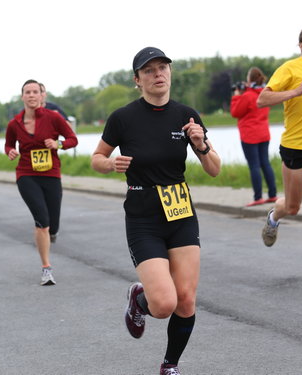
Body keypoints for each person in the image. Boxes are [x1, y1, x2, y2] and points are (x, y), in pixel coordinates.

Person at [91, 47, 221, 374]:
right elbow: (96, 158)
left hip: (180, 211)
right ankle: (140, 300)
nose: (158, 74)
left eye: (163, 67)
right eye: (149, 70)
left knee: (186, 299)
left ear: (170, 73)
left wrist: (201, 143)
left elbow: (214, 169)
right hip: (143, 215)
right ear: (138, 80)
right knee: (164, 304)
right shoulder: (123, 118)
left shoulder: (186, 115)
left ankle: (169, 365)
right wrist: (109, 164)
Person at [257, 24, 302, 247]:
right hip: (296, 146)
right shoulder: (290, 69)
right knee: (292, 207)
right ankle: (273, 218)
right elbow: (262, 100)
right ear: (301, 45)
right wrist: (295, 92)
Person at [5, 79, 78, 286]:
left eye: (35, 92)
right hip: (26, 174)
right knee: (42, 221)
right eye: (27, 92)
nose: (31, 95)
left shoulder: (54, 118)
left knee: (53, 224)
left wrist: (59, 144)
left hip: (51, 174)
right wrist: (10, 151)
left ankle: (50, 232)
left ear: (41, 95)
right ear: (22, 97)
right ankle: (46, 268)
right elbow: (9, 144)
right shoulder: (15, 123)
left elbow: (73, 139)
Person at [230, 67, 277, 206]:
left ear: (249, 79)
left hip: (249, 135)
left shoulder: (247, 96)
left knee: (254, 166)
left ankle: (258, 197)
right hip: (264, 134)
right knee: (265, 163)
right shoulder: (264, 93)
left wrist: (236, 95)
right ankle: (272, 195)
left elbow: (235, 112)